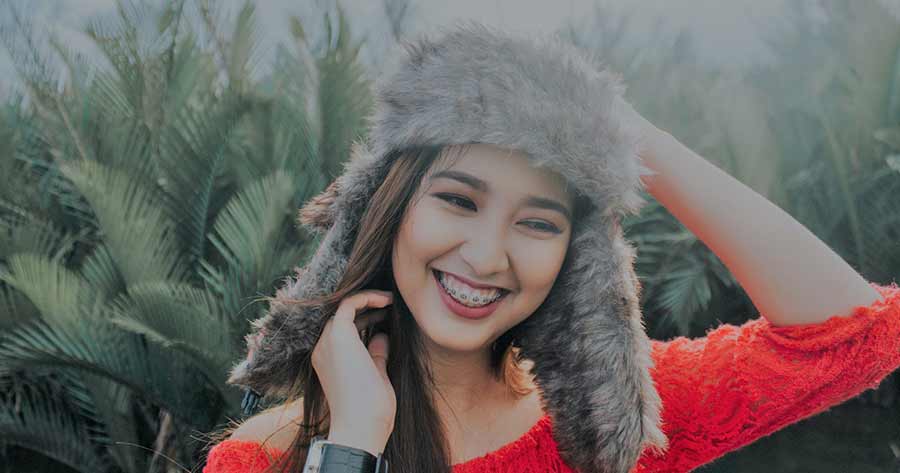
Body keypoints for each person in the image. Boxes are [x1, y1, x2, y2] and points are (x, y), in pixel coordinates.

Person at [201, 21, 900, 473]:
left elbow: (856, 332)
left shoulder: (612, 430)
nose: (486, 254)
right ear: (390, 207)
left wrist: (623, 135)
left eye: (538, 221)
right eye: (458, 199)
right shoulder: (260, 458)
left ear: (577, 253)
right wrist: (351, 443)